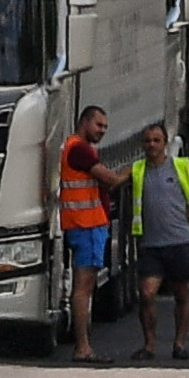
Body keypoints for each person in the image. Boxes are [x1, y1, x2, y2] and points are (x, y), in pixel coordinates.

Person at [124, 124, 189, 361]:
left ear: (165, 143)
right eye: (148, 141)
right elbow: (114, 180)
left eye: (156, 140)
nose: (152, 145)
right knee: (147, 294)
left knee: (181, 293)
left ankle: (179, 344)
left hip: (180, 242)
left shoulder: (180, 166)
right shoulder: (138, 169)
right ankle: (149, 344)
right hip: (151, 244)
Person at [56, 105, 112, 358]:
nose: (102, 131)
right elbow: (109, 178)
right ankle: (83, 347)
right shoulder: (79, 149)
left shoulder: (76, 147)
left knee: (84, 287)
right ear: (84, 122)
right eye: (98, 125)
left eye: (105, 127)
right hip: (85, 225)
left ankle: (83, 345)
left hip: (85, 224)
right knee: (83, 289)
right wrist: (134, 171)